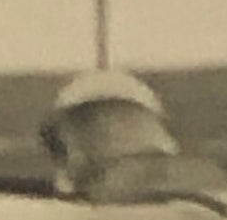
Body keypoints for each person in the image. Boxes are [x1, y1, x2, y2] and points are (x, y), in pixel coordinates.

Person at [39, 68, 179, 196]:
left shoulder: (180, 207)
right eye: (88, 121)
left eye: (126, 121)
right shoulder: (51, 214)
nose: (113, 132)